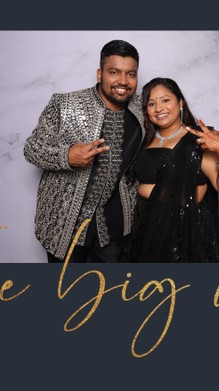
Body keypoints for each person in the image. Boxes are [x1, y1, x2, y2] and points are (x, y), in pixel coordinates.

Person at [24, 40, 145, 263]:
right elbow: (31, 149)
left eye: (131, 74)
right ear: (100, 74)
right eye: (114, 72)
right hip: (64, 225)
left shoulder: (143, 108)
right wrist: (66, 155)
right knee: (63, 292)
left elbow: (172, 123)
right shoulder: (65, 104)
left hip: (115, 227)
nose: (123, 81)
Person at [124, 78, 219, 262]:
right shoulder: (143, 141)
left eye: (165, 100)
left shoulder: (198, 139)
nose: (159, 108)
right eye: (151, 103)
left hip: (187, 234)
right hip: (147, 231)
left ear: (180, 102)